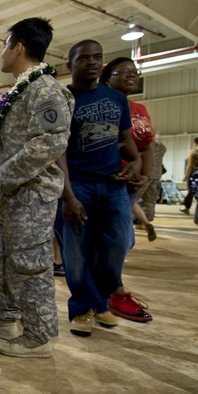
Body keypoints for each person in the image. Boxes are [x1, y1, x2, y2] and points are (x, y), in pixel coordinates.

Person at [0, 17, 72, 359]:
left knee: (30, 264)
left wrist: (2, 176)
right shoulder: (24, 87)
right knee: (5, 258)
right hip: (12, 192)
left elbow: (49, 143)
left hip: (31, 193)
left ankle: (38, 335)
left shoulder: (45, 89)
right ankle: (8, 317)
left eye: (6, 45)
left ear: (18, 47)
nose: (3, 54)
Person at [57, 40, 142, 338]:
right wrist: (68, 195)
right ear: (70, 65)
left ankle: (99, 300)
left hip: (113, 185)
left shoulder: (116, 99)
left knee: (118, 244)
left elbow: (125, 139)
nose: (92, 62)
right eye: (84, 58)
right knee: (76, 254)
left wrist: (135, 162)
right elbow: (59, 152)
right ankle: (83, 310)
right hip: (78, 184)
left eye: (97, 57)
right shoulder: (63, 99)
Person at [101, 57, 154, 323]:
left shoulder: (140, 108)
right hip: (107, 181)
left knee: (123, 241)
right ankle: (113, 293)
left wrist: (144, 174)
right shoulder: (99, 103)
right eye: (124, 72)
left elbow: (146, 145)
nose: (132, 76)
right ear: (107, 77)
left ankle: (106, 294)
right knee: (118, 240)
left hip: (133, 182)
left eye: (135, 72)